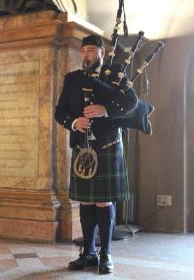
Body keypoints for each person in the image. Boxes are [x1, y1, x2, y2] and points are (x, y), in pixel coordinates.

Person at [55, 35, 138, 274]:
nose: (85, 55)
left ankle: (106, 253)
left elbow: (132, 102)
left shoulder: (116, 73)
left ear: (102, 53)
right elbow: (60, 112)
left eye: (91, 50)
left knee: (103, 200)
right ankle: (89, 252)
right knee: (86, 200)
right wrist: (73, 122)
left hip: (108, 145)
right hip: (83, 148)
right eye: (82, 51)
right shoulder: (72, 79)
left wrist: (105, 110)